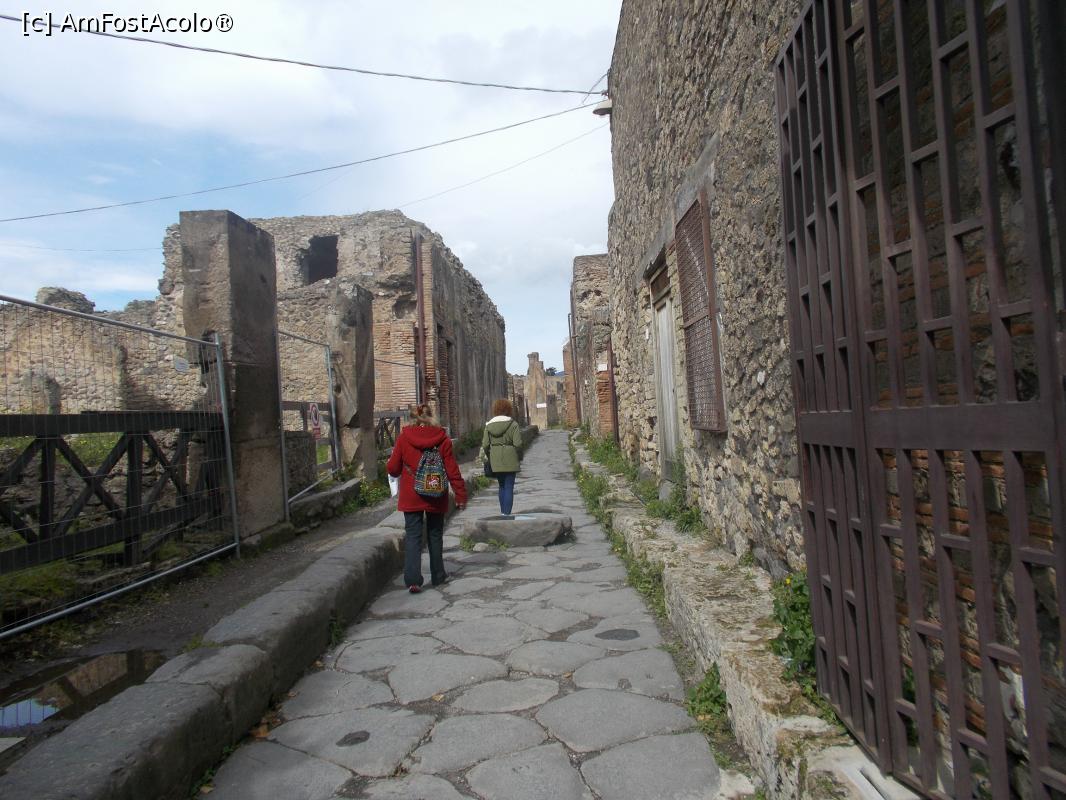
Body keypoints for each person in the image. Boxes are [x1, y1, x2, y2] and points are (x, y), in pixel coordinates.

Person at [387, 403, 467, 593]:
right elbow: (452, 470)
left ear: (412, 418)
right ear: (432, 417)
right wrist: (460, 495)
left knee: (413, 536)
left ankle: (413, 580)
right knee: (435, 534)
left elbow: (393, 469)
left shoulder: (404, 438)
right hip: (436, 493)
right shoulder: (442, 439)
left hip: (411, 494)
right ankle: (438, 575)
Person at [481, 398, 523, 515]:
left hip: (495, 459)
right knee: (509, 487)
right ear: (509, 409)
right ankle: (507, 514)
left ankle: (503, 513)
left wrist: (490, 456)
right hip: (510, 458)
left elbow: (485, 445)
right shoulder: (513, 424)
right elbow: (518, 444)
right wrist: (519, 457)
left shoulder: (489, 425)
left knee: (501, 486)